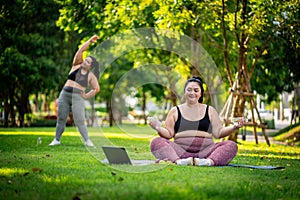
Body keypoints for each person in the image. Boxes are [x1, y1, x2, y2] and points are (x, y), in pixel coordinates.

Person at [149, 76, 245, 166]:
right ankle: (179, 162)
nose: (192, 93)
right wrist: (158, 128)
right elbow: (169, 134)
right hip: (180, 152)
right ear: (184, 92)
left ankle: (207, 162)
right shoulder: (175, 111)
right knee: (156, 142)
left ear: (200, 93)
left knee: (231, 145)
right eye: (189, 90)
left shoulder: (210, 110)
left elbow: (218, 133)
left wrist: (234, 126)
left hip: (206, 153)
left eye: (196, 90)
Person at [49, 35, 100, 147]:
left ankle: (87, 140)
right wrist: (89, 41)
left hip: (78, 97)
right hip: (65, 94)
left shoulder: (91, 76)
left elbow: (96, 89)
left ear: (91, 66)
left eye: (87, 62)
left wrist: (86, 96)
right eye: (85, 60)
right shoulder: (76, 65)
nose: (85, 62)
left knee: (80, 120)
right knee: (61, 118)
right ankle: (56, 140)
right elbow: (81, 50)